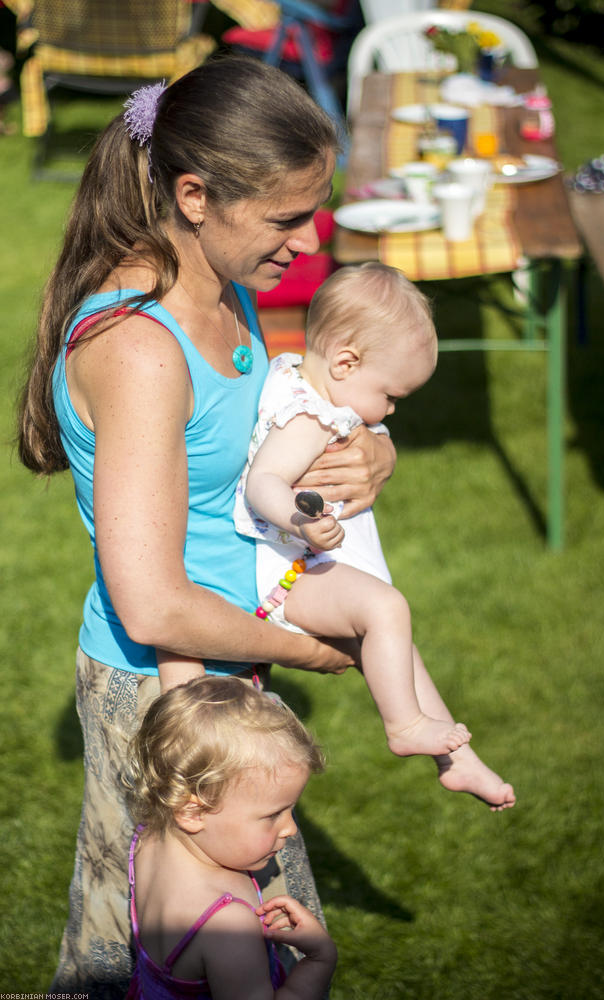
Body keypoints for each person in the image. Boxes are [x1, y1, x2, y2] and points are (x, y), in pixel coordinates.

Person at [16, 55, 395, 997]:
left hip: (223, 663)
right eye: (284, 218)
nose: (308, 245)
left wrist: (366, 452)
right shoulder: (140, 346)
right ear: (193, 195)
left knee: (245, 942)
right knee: (160, 956)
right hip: (159, 690)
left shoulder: (223, 291)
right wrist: (309, 653)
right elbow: (151, 603)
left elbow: (261, 442)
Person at [169, 263, 516, 809]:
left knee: (396, 646)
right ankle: (403, 728)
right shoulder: (307, 417)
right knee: (388, 612)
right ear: (346, 361)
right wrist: (301, 520)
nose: (392, 411)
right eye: (390, 394)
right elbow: (264, 484)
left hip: (306, 565)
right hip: (291, 572)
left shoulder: (308, 386)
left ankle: (458, 760)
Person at [125, 675, 337, 1000]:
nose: (291, 829)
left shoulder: (150, 835)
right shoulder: (229, 927)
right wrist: (320, 960)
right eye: (272, 815)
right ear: (193, 813)